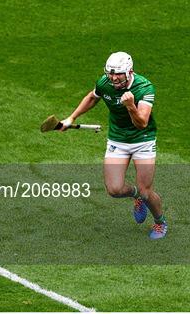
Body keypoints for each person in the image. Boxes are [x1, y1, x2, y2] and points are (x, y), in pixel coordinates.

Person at [60, 52, 167, 239]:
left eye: (118, 74)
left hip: (143, 139)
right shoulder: (105, 82)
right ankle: (135, 196)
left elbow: (141, 123)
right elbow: (93, 97)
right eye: (110, 73)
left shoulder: (144, 88)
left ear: (130, 72)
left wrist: (130, 105)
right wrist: (71, 118)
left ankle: (160, 222)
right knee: (114, 190)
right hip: (118, 139)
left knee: (146, 191)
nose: (113, 78)